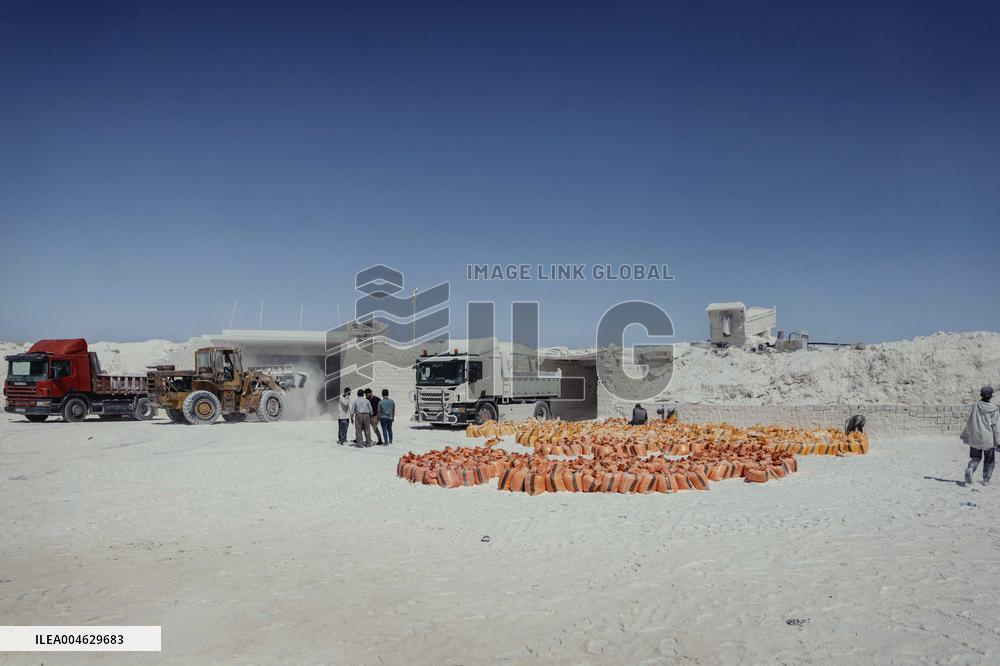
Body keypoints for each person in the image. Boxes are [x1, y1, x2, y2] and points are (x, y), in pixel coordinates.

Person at [961, 386, 999, 486]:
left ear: (981, 395)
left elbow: (969, 422)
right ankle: (986, 480)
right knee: (989, 460)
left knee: (975, 458)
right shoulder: (994, 409)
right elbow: (996, 426)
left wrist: (967, 436)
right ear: (991, 395)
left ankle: (971, 469)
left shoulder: (973, 407)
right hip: (988, 439)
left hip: (975, 438)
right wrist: (998, 441)